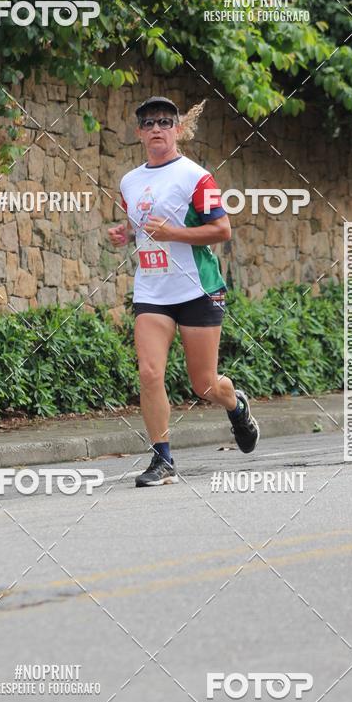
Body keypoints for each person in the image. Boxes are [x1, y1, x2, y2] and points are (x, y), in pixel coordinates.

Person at [108, 96, 259, 487]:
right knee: (149, 372)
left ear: (177, 129)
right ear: (139, 132)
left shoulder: (197, 177)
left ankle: (236, 405)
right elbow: (140, 227)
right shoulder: (130, 181)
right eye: (148, 122)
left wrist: (173, 233)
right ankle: (163, 459)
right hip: (153, 290)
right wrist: (124, 235)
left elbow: (221, 230)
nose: (156, 128)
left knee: (204, 384)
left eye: (164, 121)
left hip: (197, 288)